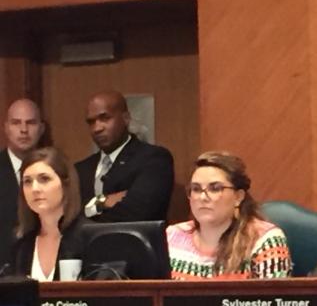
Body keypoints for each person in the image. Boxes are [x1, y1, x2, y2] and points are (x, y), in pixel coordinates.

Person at [167, 151, 292, 280]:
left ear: (238, 197)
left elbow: (274, 293)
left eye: (215, 188)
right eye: (196, 189)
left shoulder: (265, 241)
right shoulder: (171, 236)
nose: (202, 197)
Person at [75, 91, 174, 222]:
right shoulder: (79, 170)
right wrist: (101, 202)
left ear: (126, 118)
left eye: (105, 118)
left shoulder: (154, 159)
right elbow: (67, 215)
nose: (97, 128)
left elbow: (138, 212)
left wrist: (88, 213)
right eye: (91, 122)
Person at [12, 147, 85, 281]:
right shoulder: (22, 245)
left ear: (66, 184)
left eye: (44, 179)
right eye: (27, 181)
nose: (35, 189)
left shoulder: (88, 238)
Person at [0, 99, 46, 271]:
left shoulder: (54, 171)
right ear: (6, 128)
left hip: (43, 269)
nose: (24, 129)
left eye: (31, 123)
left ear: (41, 128)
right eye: (16, 123)